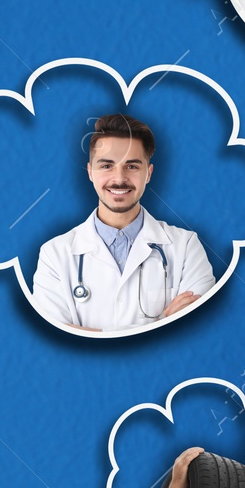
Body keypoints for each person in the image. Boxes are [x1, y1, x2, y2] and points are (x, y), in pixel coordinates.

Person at [29, 115, 215, 333]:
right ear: (90, 172)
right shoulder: (54, 254)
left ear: (149, 173)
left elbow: (198, 332)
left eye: (132, 166)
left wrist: (89, 334)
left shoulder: (186, 247)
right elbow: (56, 339)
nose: (119, 178)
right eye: (106, 165)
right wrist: (163, 323)